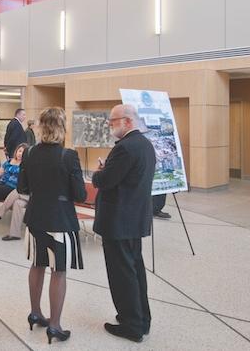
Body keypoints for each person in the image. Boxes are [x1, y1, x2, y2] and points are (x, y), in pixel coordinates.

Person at [18, 107, 85, 344]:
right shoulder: (69, 156)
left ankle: (35, 313)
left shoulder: (29, 153)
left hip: (35, 218)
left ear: (41, 127)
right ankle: (54, 325)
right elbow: (80, 194)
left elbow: (23, 188)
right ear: (61, 127)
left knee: (37, 265)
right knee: (58, 271)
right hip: (60, 220)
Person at [91, 104, 156, 343]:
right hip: (134, 218)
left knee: (122, 274)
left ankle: (131, 325)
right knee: (135, 270)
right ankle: (141, 319)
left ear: (127, 121)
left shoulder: (125, 148)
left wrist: (98, 172)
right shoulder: (145, 145)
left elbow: (106, 180)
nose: (110, 126)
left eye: (112, 121)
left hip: (119, 221)